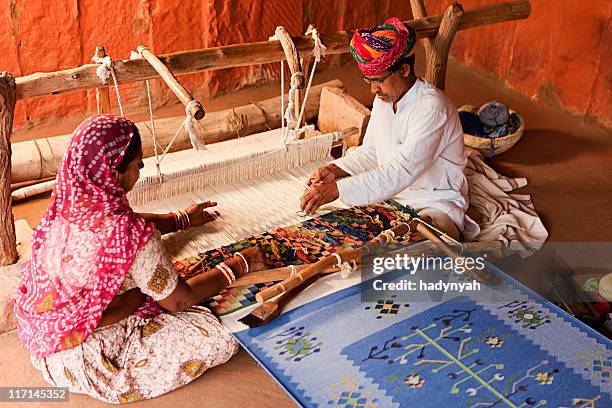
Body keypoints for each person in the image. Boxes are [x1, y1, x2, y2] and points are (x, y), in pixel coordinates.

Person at [14, 114, 267, 403]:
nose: (142, 169)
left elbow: (122, 226)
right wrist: (239, 264)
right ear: (113, 171)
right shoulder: (130, 234)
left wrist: (181, 220)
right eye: (138, 164)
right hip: (91, 359)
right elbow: (179, 300)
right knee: (220, 334)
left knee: (149, 283)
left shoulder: (69, 203)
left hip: (45, 339)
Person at [300, 17, 479, 241]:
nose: (374, 89)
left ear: (404, 70)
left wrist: (337, 190)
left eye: (378, 80)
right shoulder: (385, 100)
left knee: (408, 254)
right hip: (391, 200)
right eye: (369, 81)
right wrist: (337, 169)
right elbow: (373, 150)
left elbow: (400, 171)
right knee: (326, 239)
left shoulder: (432, 108)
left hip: (433, 205)